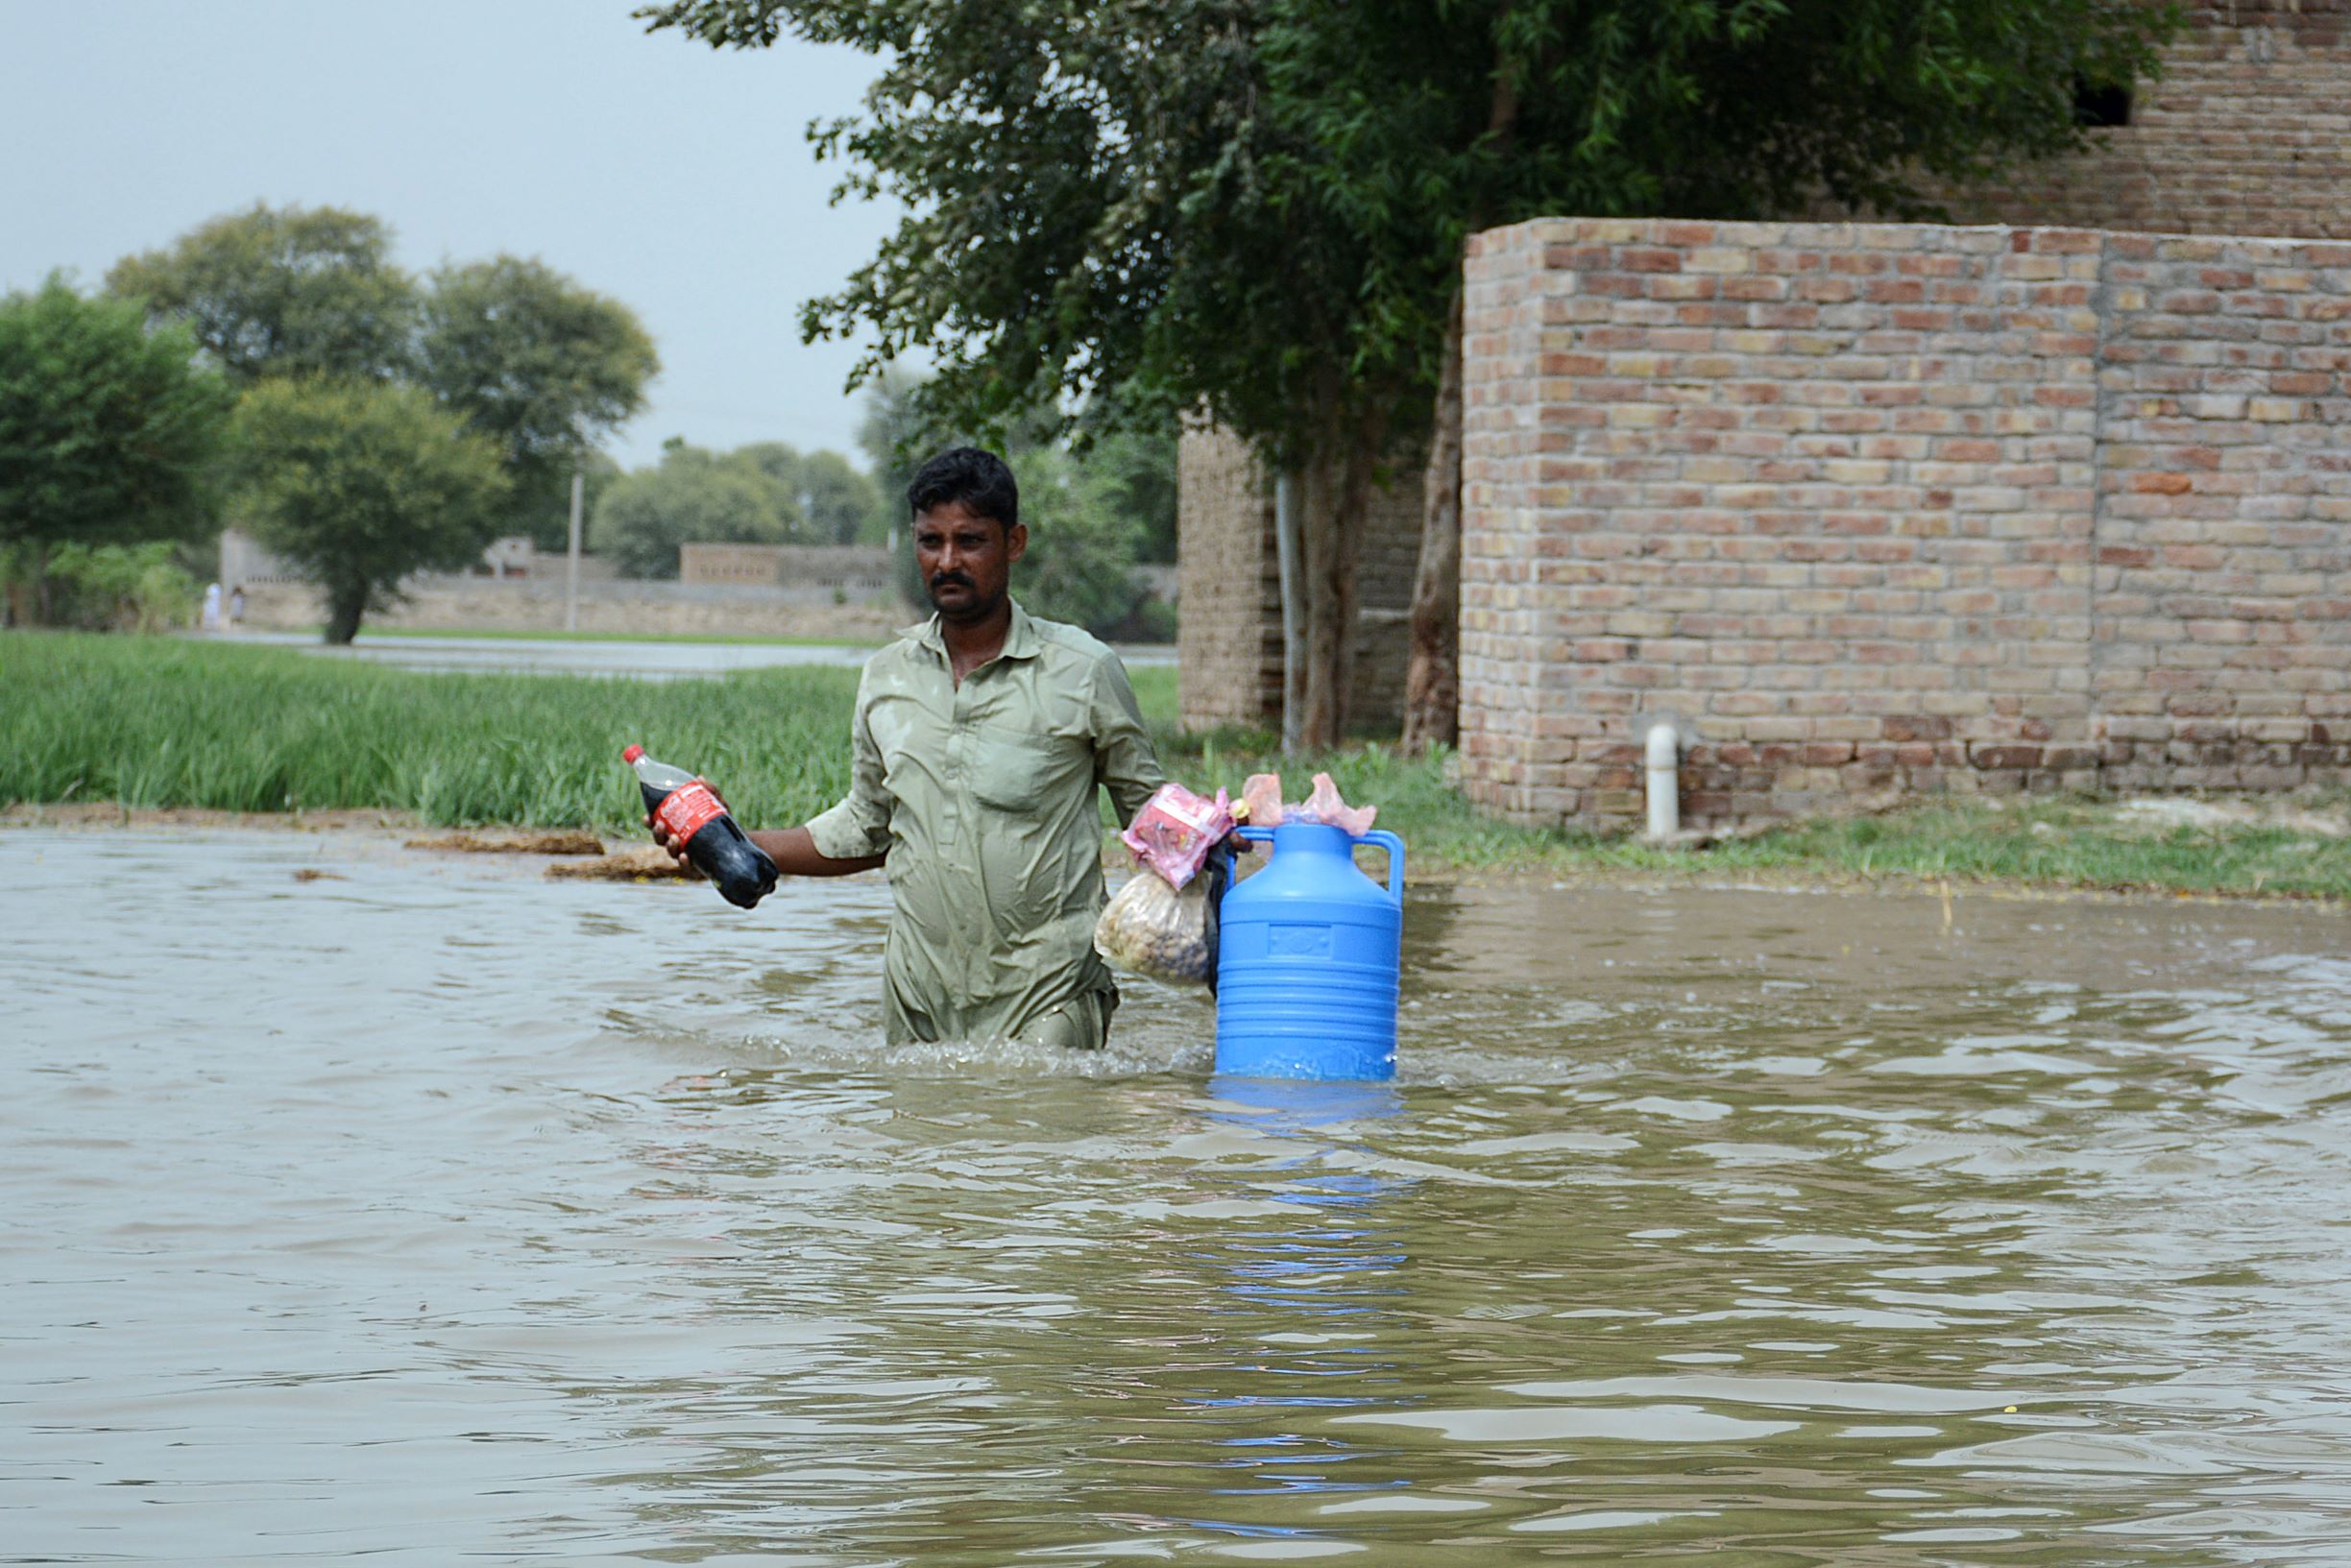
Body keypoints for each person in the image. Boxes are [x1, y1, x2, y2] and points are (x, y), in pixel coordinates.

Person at [654, 446, 1166, 1049]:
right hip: (918, 1002)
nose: (947, 561)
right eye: (930, 542)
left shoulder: (1083, 670)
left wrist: (1227, 865)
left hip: (1048, 996)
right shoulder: (886, 676)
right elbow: (870, 827)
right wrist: (730, 838)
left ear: (1015, 543)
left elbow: (1156, 823)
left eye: (970, 541)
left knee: (1033, 1135)